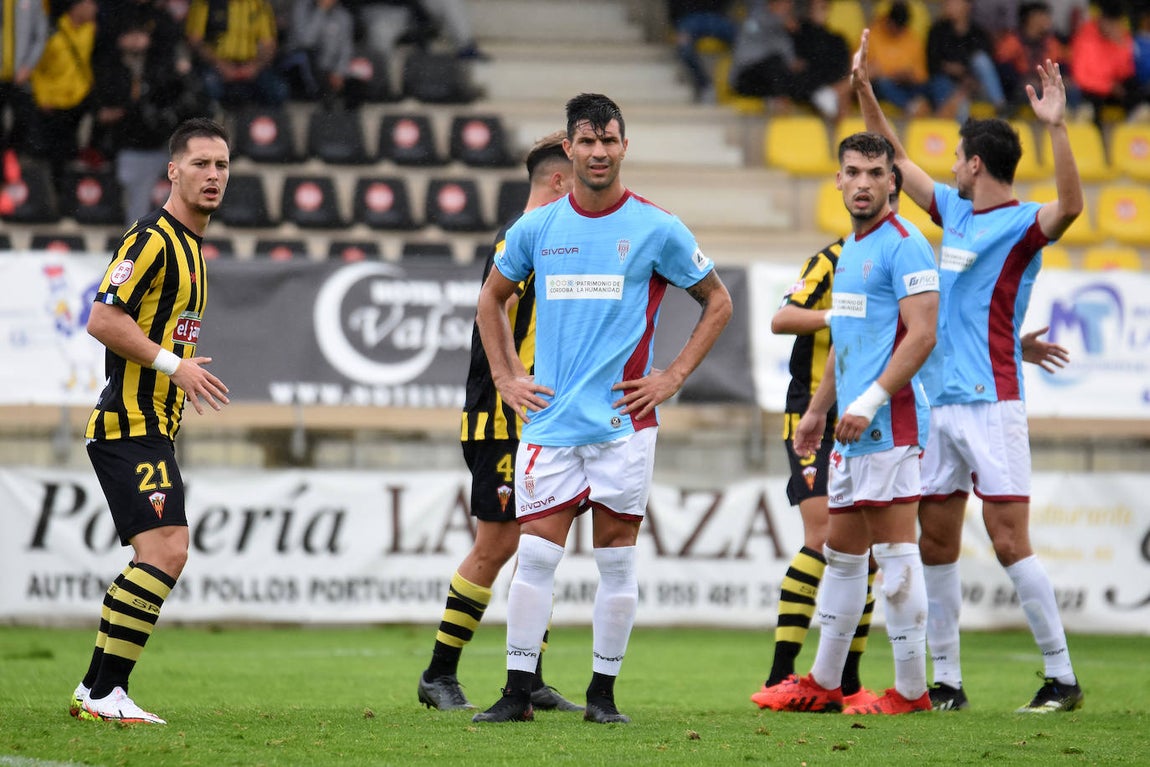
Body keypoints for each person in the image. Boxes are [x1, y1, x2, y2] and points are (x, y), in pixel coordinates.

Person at [471, 92, 733, 724]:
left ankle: (602, 697)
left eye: (609, 140)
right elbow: (491, 300)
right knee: (535, 556)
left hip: (623, 426)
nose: (598, 152)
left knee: (616, 561)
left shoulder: (656, 227)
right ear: (569, 147)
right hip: (552, 423)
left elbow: (717, 301)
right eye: (586, 141)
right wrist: (507, 377)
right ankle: (515, 693)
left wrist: (670, 376)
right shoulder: (537, 228)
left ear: (623, 145)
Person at [851, 28, 1086, 713]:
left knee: (1009, 539)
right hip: (939, 404)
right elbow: (892, 156)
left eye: (957, 156)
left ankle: (1061, 675)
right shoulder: (952, 211)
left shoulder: (1020, 225)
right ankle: (947, 682)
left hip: (993, 404)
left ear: (977, 164)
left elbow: (1071, 206)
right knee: (937, 540)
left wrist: (1059, 127)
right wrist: (865, 91)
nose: (950, 166)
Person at [754, 131, 939, 716]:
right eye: (852, 172)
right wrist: (818, 411)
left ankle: (911, 692)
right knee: (842, 553)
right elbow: (847, 342)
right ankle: (825, 681)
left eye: (874, 173)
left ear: (893, 182)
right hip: (850, 427)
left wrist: (872, 401)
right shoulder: (852, 251)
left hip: (890, 421)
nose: (862, 182)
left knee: (896, 554)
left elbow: (923, 334)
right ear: (837, 179)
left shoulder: (906, 245)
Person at [70, 117, 232, 725]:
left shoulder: (191, 248)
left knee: (156, 554)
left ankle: (95, 689)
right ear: (173, 171)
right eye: (200, 164)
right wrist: (174, 367)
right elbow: (103, 320)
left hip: (150, 423)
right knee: (167, 550)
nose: (213, 175)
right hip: (127, 423)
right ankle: (110, 691)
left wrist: (177, 365)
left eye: (221, 165)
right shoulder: (153, 240)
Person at [416, 130, 581, 715]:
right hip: (501, 418)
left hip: (542, 419)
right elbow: (500, 312)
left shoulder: (557, 239)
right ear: (560, 180)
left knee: (542, 542)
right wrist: (513, 384)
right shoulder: (520, 238)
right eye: (580, 173)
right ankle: (439, 673)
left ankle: (529, 676)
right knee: (498, 542)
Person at [91, 20, 208, 223]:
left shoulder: (160, 68)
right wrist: (127, 109)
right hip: (129, 148)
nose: (137, 40)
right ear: (120, 39)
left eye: (141, 34)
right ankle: (139, 249)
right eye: (130, 34)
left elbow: (188, 100)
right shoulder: (110, 70)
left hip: (163, 146)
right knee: (137, 210)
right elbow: (100, 111)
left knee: (175, 205)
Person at [26, 0, 98, 190]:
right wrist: (42, 98)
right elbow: (37, 70)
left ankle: (71, 192)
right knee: (52, 152)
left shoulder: (92, 31)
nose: (94, 9)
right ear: (76, 7)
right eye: (89, 5)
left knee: (75, 152)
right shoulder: (53, 32)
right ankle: (52, 192)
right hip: (54, 102)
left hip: (80, 100)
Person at [185, 0, 289, 109]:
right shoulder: (205, 3)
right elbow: (194, 41)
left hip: (250, 65)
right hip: (215, 65)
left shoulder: (259, 5)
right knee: (209, 87)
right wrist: (220, 65)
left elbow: (269, 45)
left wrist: (255, 67)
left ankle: (259, 121)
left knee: (278, 90)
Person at [926, 0, 1008, 120]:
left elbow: (988, 64)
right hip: (948, 84)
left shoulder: (978, 32)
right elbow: (932, 64)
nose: (949, 6)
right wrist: (953, 70)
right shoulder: (937, 31)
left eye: (955, 3)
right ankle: (965, 136)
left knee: (981, 60)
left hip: (975, 84)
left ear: (967, 6)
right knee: (959, 103)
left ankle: (1000, 105)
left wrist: (966, 75)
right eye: (948, 3)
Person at [0, 0, 49, 155]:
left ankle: (10, 157)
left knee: (24, 120)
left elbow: (40, 35)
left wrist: (28, 65)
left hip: (20, 75)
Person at [666, 0, 737, 103]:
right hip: (689, 19)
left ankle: (734, 83)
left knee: (744, 41)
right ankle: (704, 84)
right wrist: (676, 27)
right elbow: (673, 8)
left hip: (717, 17)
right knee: (684, 49)